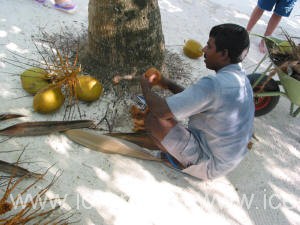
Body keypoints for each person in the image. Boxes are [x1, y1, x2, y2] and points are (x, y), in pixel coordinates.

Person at [140, 23, 254, 180]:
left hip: (209, 164)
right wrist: (166, 83)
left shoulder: (215, 85)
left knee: (154, 119)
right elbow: (196, 100)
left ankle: (182, 162)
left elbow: (161, 110)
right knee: (166, 114)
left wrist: (145, 88)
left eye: (209, 46)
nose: (203, 50)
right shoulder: (240, 78)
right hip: (228, 159)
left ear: (224, 54)